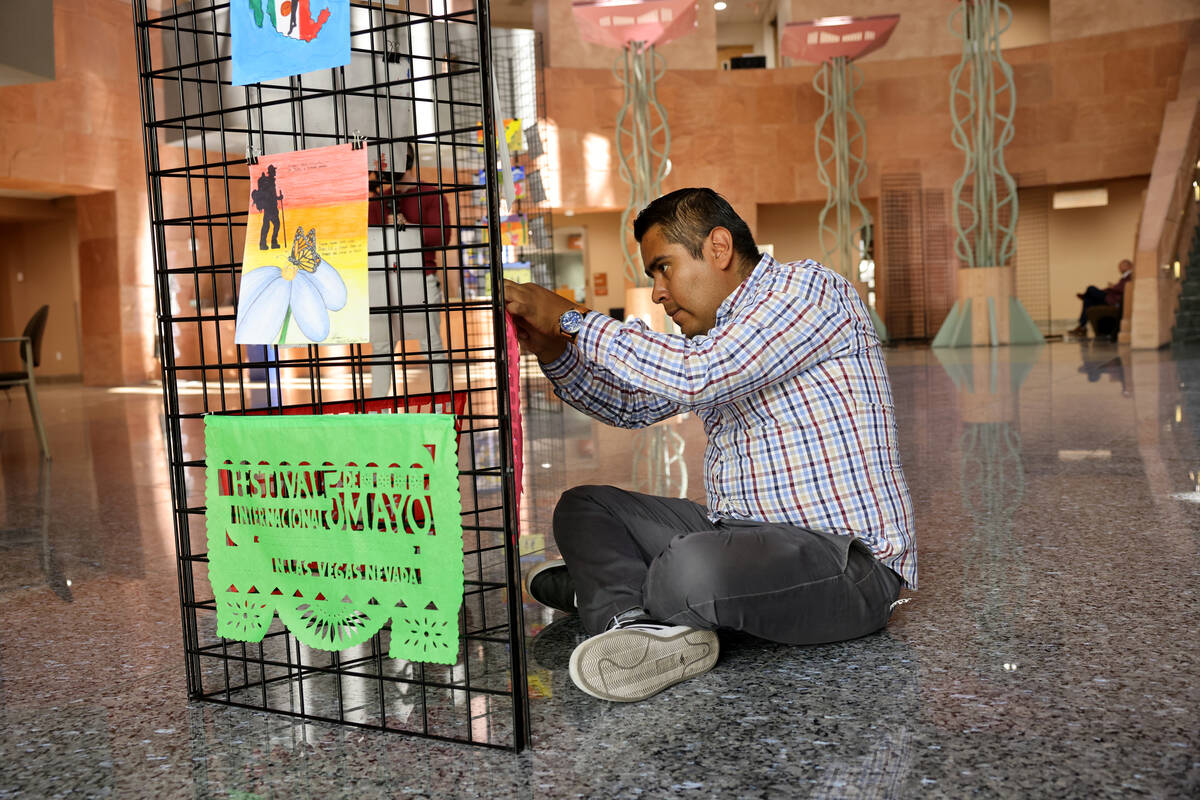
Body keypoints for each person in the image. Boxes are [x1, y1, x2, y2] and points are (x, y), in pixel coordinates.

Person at [505, 188, 916, 703]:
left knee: (691, 568)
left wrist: (573, 320)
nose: (657, 291)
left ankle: (611, 590)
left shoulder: (807, 291)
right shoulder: (720, 335)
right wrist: (554, 351)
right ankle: (635, 623)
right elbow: (630, 406)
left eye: (663, 268)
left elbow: (699, 376)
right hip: (743, 539)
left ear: (718, 248)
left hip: (847, 564)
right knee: (583, 508)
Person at [367, 143, 451, 396]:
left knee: (430, 343)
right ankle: (376, 407)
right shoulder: (378, 199)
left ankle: (441, 406)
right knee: (381, 344)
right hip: (383, 279)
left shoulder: (429, 193)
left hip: (420, 277)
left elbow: (441, 236)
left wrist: (409, 229)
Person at [1069, 258, 1132, 338]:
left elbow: (1124, 288)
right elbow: (1117, 288)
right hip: (1110, 296)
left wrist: (1112, 287)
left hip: (1112, 300)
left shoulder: (1130, 276)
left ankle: (1086, 295)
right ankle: (1082, 326)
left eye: (1121, 266)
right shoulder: (1124, 277)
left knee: (1091, 288)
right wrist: (1109, 288)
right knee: (1087, 300)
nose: (1119, 268)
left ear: (1128, 266)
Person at [253, 164, 282, 251]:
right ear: (271, 172)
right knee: (271, 225)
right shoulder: (268, 182)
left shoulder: (271, 181)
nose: (275, 172)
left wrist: (278, 198)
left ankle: (267, 244)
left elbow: (271, 195)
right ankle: (268, 243)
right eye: (274, 170)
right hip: (270, 207)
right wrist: (276, 198)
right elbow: (269, 194)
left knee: (271, 225)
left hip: (271, 207)